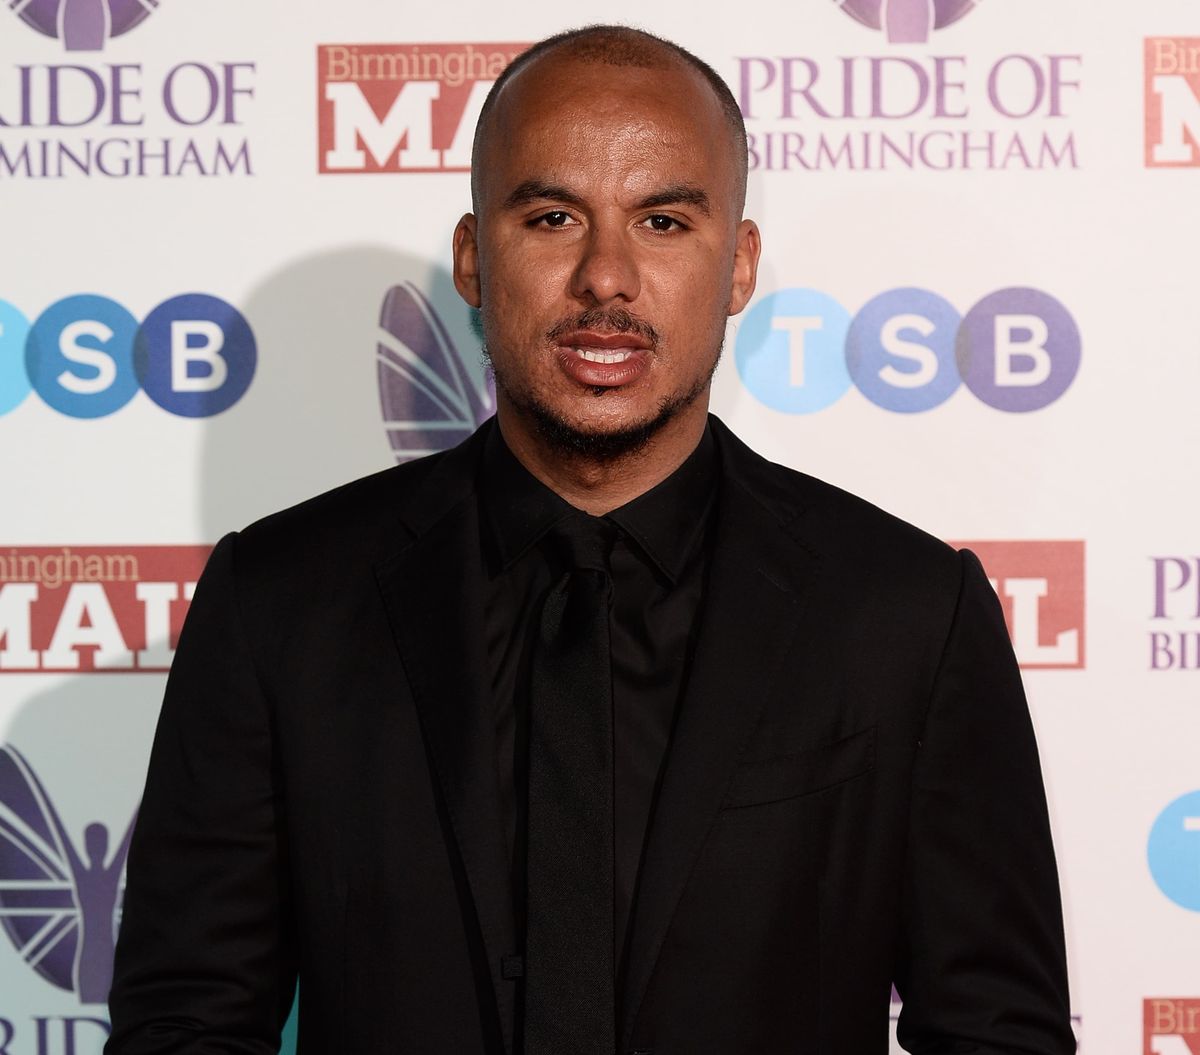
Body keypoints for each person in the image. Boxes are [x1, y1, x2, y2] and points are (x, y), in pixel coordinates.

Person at [106, 24, 1074, 1055]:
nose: (605, 277)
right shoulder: (279, 602)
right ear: (475, 259)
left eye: (662, 220)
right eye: (554, 215)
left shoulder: (907, 614)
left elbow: (995, 1032)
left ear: (739, 265)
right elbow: (187, 1022)